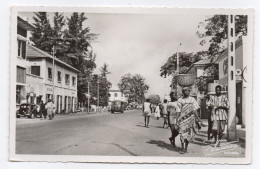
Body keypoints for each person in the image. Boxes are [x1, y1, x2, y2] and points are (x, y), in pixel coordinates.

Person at [177, 86, 202, 154]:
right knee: (182, 134)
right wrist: (177, 119)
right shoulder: (180, 100)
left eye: (188, 91)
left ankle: (185, 148)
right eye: (185, 91)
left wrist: (198, 118)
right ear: (183, 92)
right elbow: (178, 111)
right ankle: (182, 148)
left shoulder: (192, 99)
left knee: (188, 134)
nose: (187, 92)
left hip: (190, 119)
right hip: (182, 119)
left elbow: (195, 110)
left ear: (189, 91)